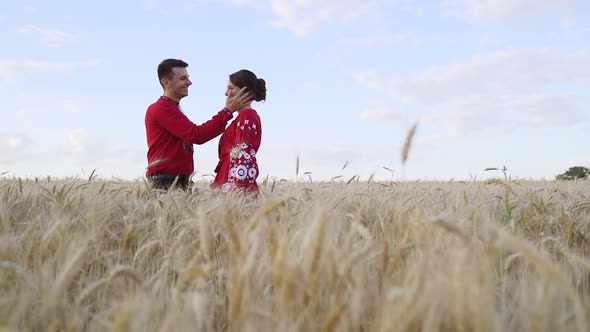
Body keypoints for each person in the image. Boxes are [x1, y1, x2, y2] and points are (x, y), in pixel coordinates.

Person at [145, 59, 251, 190]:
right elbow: (196, 135)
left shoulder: (173, 108)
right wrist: (227, 111)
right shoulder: (161, 108)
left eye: (188, 78)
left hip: (179, 180)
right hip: (166, 181)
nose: (189, 82)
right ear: (166, 82)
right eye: (183, 78)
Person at [211, 69, 266, 195]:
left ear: (245, 91)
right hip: (230, 179)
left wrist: (235, 190)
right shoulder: (243, 117)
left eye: (231, 88)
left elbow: (244, 157)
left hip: (234, 183)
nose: (226, 93)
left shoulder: (247, 116)